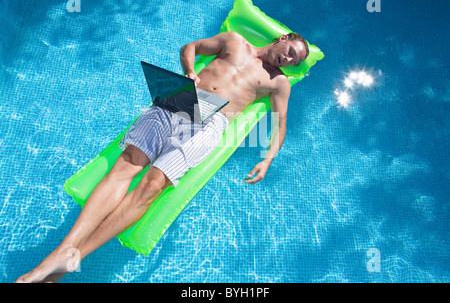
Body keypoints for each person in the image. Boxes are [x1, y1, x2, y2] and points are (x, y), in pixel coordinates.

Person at [15, 31, 309, 283]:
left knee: (151, 188)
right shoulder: (234, 41)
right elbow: (190, 48)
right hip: (181, 99)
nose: (287, 60)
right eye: (290, 52)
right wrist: (190, 72)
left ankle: (75, 257)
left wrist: (268, 159)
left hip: (213, 121)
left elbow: (281, 124)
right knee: (127, 165)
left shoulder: (278, 83)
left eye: (293, 61)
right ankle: (61, 251)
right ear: (283, 39)